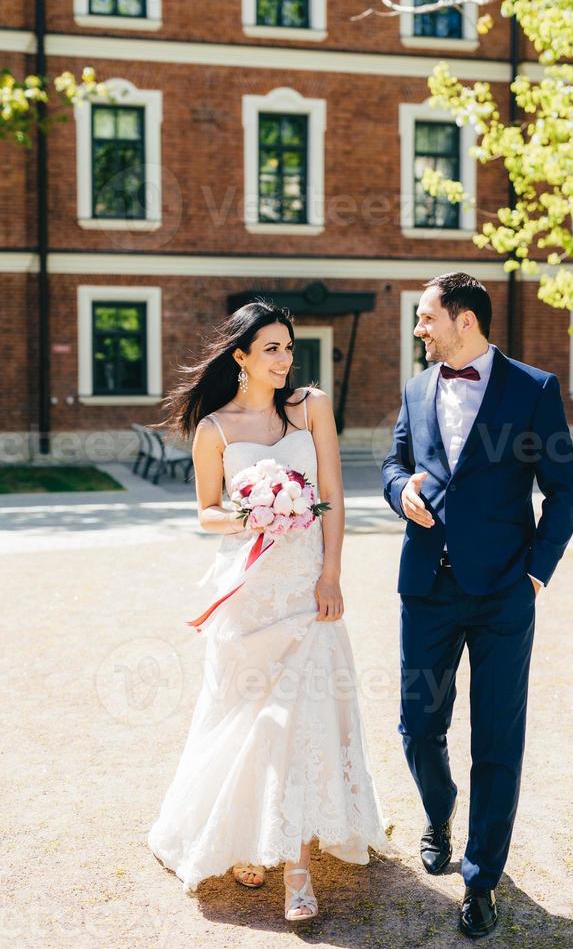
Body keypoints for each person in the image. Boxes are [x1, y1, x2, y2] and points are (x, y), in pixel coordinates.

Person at [147, 299, 387, 923]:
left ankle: (298, 869)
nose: (285, 360)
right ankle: (250, 835)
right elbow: (205, 512)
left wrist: (331, 574)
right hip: (249, 594)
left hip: (308, 590)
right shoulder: (214, 430)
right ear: (241, 358)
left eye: (289, 347)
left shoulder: (312, 408)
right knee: (248, 719)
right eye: (272, 349)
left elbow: (332, 496)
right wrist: (253, 513)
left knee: (301, 720)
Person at [381, 272, 573, 938]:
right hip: (427, 589)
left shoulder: (534, 390)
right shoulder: (415, 390)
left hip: (503, 596)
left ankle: (481, 878)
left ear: (463, 319)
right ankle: (438, 812)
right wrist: (399, 487)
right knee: (417, 721)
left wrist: (536, 576)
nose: (419, 329)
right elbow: (393, 463)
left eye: (426, 317)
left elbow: (564, 491)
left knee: (498, 740)